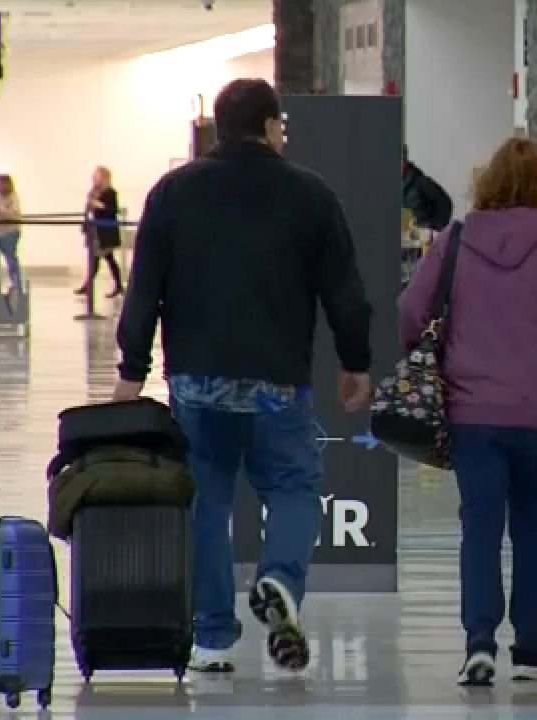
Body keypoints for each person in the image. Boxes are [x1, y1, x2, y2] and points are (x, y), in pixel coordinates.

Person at [114, 78, 374, 673]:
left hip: (197, 383)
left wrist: (132, 371)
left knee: (206, 500)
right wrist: (355, 362)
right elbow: (346, 293)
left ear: (218, 129)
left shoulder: (173, 193)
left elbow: (144, 289)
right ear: (269, 126)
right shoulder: (310, 195)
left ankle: (210, 637)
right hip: (277, 380)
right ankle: (279, 580)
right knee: (292, 487)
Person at [398, 137, 537, 687]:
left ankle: (479, 642)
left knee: (479, 525)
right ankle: (527, 641)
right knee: (531, 526)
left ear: (488, 181)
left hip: (473, 415)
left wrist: (398, 369)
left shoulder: (454, 244)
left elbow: (408, 314)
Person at [76, 165, 125, 298]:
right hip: (95, 231)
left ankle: (116, 286)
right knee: (99, 260)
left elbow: (112, 209)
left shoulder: (110, 192)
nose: (93, 178)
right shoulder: (93, 192)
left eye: (96, 176)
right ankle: (90, 286)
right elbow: (88, 210)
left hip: (105, 231)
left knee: (106, 259)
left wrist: (98, 204)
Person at [402, 144, 454, 232]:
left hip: (423, 238)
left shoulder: (420, 181)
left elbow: (445, 203)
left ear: (405, 162)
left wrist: (435, 229)